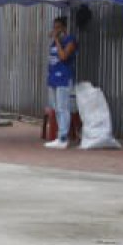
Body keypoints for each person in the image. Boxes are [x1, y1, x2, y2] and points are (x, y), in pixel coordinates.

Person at [44, 15, 79, 149]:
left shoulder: (70, 41)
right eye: (54, 27)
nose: (55, 30)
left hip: (64, 79)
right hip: (53, 79)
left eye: (58, 27)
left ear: (64, 28)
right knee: (56, 108)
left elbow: (64, 56)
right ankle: (60, 137)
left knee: (63, 108)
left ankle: (63, 138)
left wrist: (57, 41)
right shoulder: (54, 42)